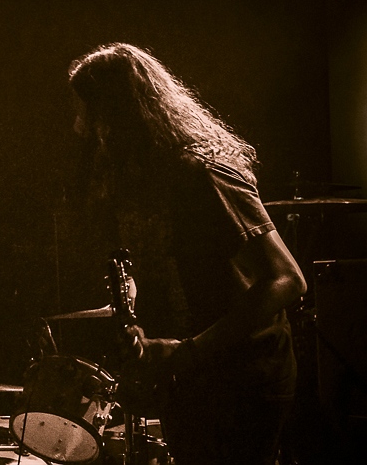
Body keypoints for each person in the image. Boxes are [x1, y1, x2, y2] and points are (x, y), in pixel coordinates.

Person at [66, 43, 306, 465]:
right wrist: (138, 326)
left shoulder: (205, 173)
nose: (84, 126)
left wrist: (188, 351)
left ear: (123, 111)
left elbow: (287, 279)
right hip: (190, 375)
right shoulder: (136, 182)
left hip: (245, 374)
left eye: (94, 112)